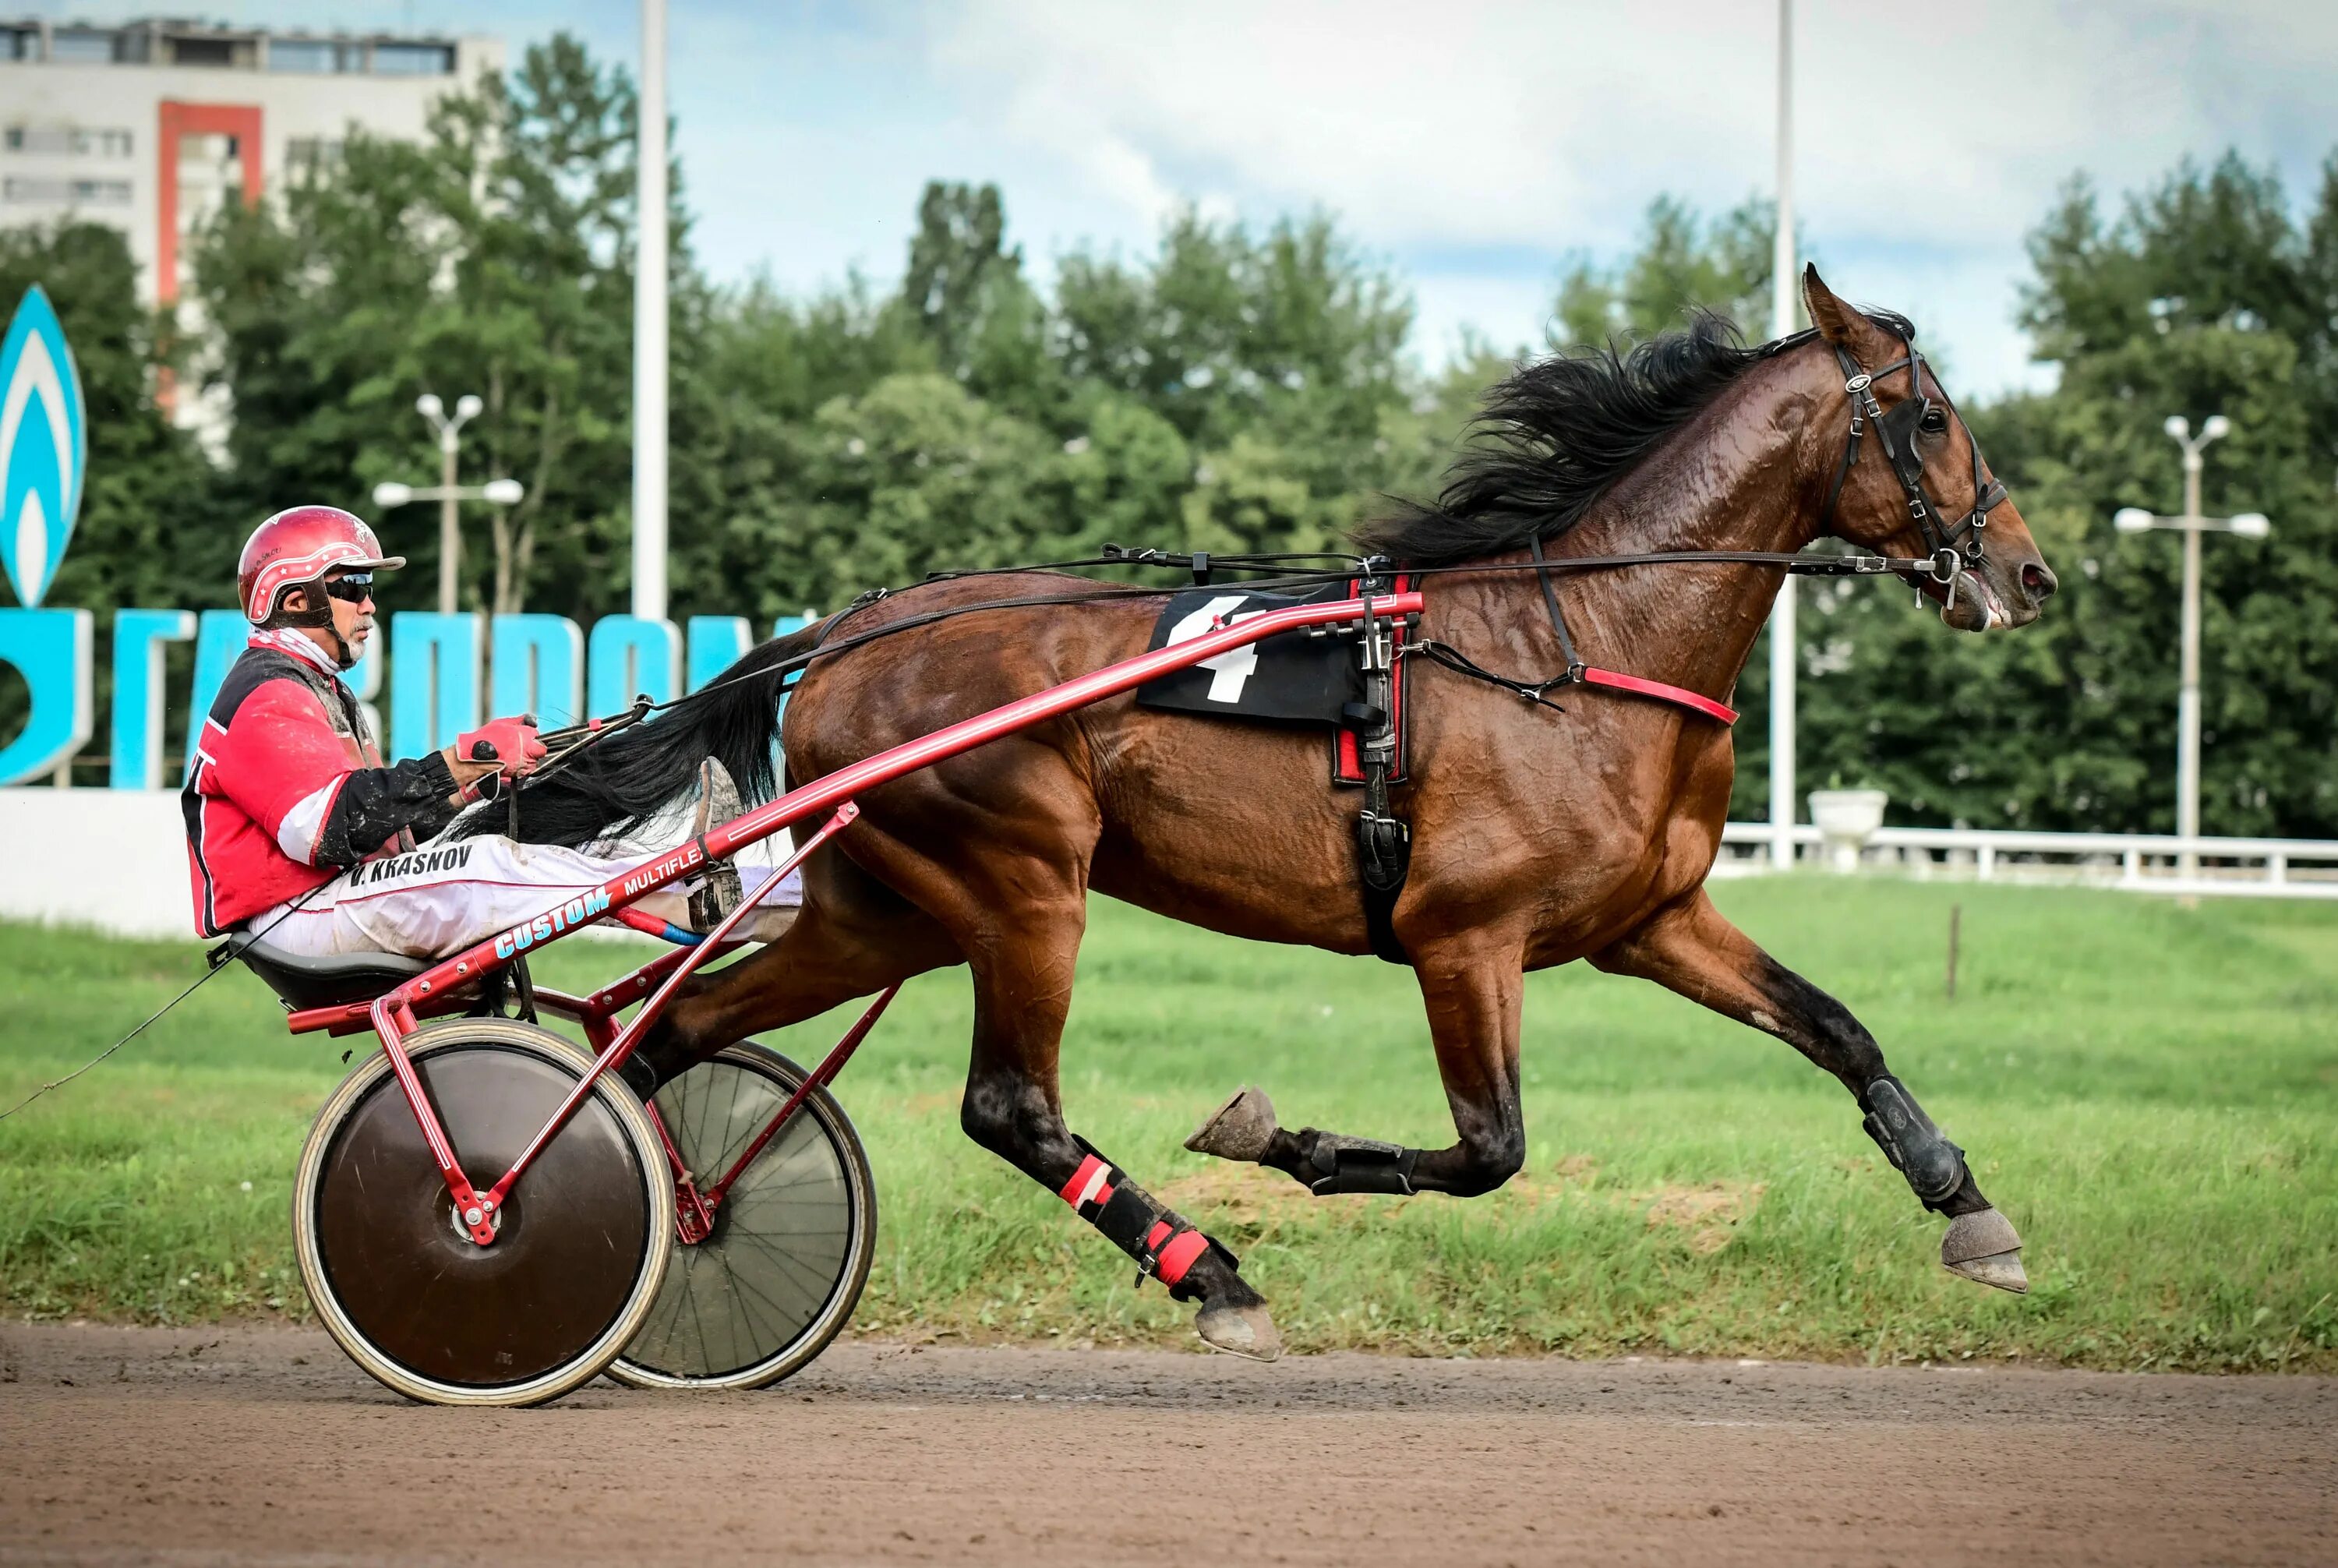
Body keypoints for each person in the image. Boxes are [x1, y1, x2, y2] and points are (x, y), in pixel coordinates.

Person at [183, 504, 798, 960]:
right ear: (295, 599)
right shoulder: (268, 690)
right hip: (294, 919)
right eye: (353, 586)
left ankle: (789, 899)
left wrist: (477, 783)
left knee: (571, 851)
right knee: (488, 862)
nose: (370, 605)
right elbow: (322, 833)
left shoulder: (316, 686)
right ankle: (679, 903)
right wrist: (463, 760)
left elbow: (384, 832)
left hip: (332, 900)